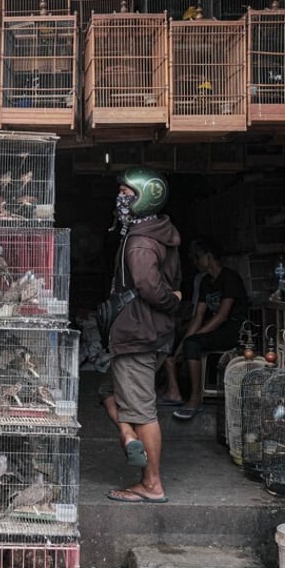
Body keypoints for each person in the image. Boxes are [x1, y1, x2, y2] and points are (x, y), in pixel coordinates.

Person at [103, 167, 182, 504]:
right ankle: (127, 435)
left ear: (146, 196)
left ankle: (151, 484)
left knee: (142, 410)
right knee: (107, 391)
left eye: (128, 193)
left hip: (138, 332)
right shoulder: (155, 230)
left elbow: (149, 286)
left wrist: (170, 302)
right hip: (146, 330)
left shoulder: (140, 243)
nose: (121, 199)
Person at [162, 239, 249, 420]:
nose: (195, 262)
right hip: (214, 329)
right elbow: (198, 317)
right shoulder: (205, 282)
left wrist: (192, 340)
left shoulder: (230, 278)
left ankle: (195, 399)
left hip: (233, 331)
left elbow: (222, 316)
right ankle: (174, 392)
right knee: (180, 340)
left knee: (192, 343)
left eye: (197, 258)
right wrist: (180, 349)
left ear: (208, 257)